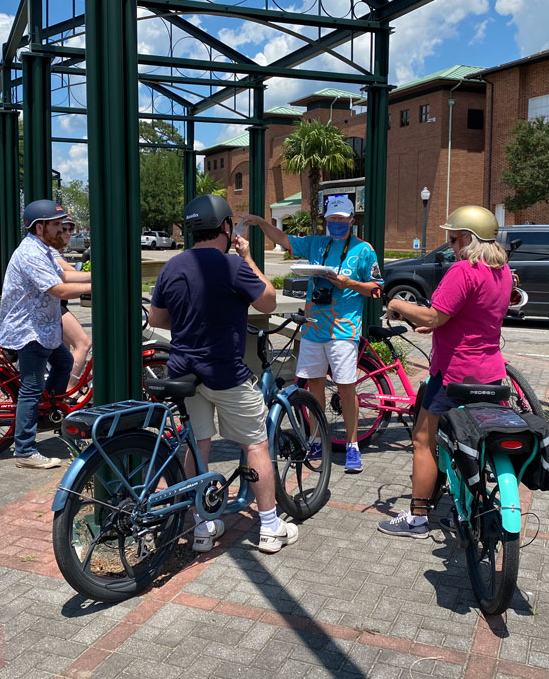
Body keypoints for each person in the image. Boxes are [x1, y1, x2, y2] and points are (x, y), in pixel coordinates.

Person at [147, 194, 298, 554]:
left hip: (185, 372)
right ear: (226, 228)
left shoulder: (172, 266)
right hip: (226, 373)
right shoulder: (232, 266)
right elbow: (269, 301)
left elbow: (156, 319)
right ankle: (269, 527)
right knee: (255, 443)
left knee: (197, 443)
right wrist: (247, 258)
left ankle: (201, 525)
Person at [377, 206, 512, 538]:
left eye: (453, 239)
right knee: (474, 442)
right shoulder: (503, 271)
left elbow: (434, 315)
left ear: (469, 239)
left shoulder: (464, 270)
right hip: (491, 372)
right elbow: (464, 315)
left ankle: (417, 518)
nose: (450, 247)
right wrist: (436, 324)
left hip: (454, 374)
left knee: (422, 439)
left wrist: (397, 305)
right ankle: (471, 507)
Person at [243, 195, 382, 474]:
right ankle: (317, 438)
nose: (337, 224)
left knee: (346, 387)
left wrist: (348, 283)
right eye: (332, 220)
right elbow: (283, 239)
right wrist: (260, 223)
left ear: (352, 221)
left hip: (344, 331)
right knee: (315, 385)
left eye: (342, 220)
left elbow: (377, 289)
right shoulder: (318, 243)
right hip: (312, 328)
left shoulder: (364, 250)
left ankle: (353, 446)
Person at [0, 199, 92, 469]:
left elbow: (65, 274)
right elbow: (59, 290)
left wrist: (101, 275)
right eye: (55, 224)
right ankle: (25, 451)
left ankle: (46, 414)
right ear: (40, 227)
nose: (61, 228)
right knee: (31, 387)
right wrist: (100, 285)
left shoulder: (44, 249)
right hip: (29, 330)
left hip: (44, 328)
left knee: (63, 364)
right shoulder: (30, 254)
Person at [51, 218, 92, 393]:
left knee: (65, 354)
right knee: (83, 343)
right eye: (63, 228)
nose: (67, 232)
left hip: (55, 306)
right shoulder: (52, 253)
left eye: (70, 229)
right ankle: (68, 391)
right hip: (55, 306)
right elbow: (69, 274)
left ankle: (58, 392)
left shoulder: (56, 252)